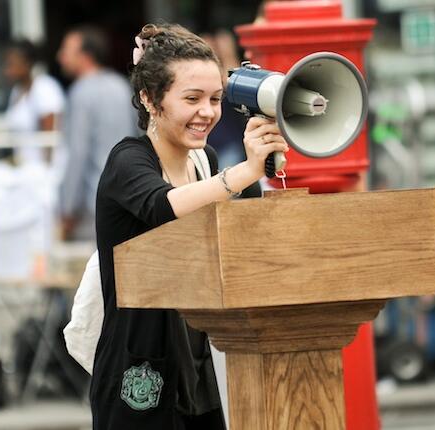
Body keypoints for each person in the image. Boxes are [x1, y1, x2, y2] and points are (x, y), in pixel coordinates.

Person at [91, 23, 288, 429]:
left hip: (201, 362)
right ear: (149, 99)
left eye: (216, 99)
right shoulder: (128, 161)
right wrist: (241, 173)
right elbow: (160, 205)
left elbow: (244, 223)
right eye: (192, 98)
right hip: (141, 363)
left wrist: (262, 161)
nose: (208, 112)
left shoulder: (207, 162)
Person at [57, 26, 136, 241]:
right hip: (125, 196)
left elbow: (77, 153)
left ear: (85, 56)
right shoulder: (120, 86)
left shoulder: (81, 92)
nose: (60, 56)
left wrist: (67, 207)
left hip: (91, 205)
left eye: (66, 50)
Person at [4, 39, 65, 164]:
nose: (7, 71)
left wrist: (46, 172)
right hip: (23, 166)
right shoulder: (17, 90)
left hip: (41, 170)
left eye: (12, 64)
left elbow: (49, 139)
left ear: (27, 64)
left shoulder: (44, 88)